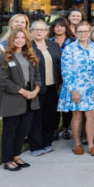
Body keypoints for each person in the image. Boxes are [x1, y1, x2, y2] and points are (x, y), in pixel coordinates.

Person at [58, 22, 94, 156]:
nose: (83, 34)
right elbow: (65, 70)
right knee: (77, 116)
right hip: (75, 87)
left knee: (91, 115)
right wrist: (73, 90)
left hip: (92, 87)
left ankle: (91, 145)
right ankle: (77, 144)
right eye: (80, 32)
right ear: (76, 33)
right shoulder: (69, 48)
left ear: (89, 32)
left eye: (85, 31)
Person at [0, 28, 41, 171]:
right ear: (12, 39)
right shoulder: (3, 57)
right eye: (17, 38)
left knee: (23, 130)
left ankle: (16, 155)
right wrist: (23, 92)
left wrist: (36, 90)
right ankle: (8, 159)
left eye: (23, 37)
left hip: (30, 100)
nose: (20, 40)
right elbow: (3, 81)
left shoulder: (30, 56)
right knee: (10, 132)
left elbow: (37, 76)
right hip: (12, 100)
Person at [27, 21, 62, 156]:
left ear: (47, 32)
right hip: (36, 88)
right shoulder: (28, 47)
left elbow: (59, 66)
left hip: (53, 87)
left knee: (50, 117)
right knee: (36, 118)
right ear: (31, 32)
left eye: (42, 29)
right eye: (36, 29)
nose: (39, 32)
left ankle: (47, 142)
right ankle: (36, 146)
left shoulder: (54, 45)